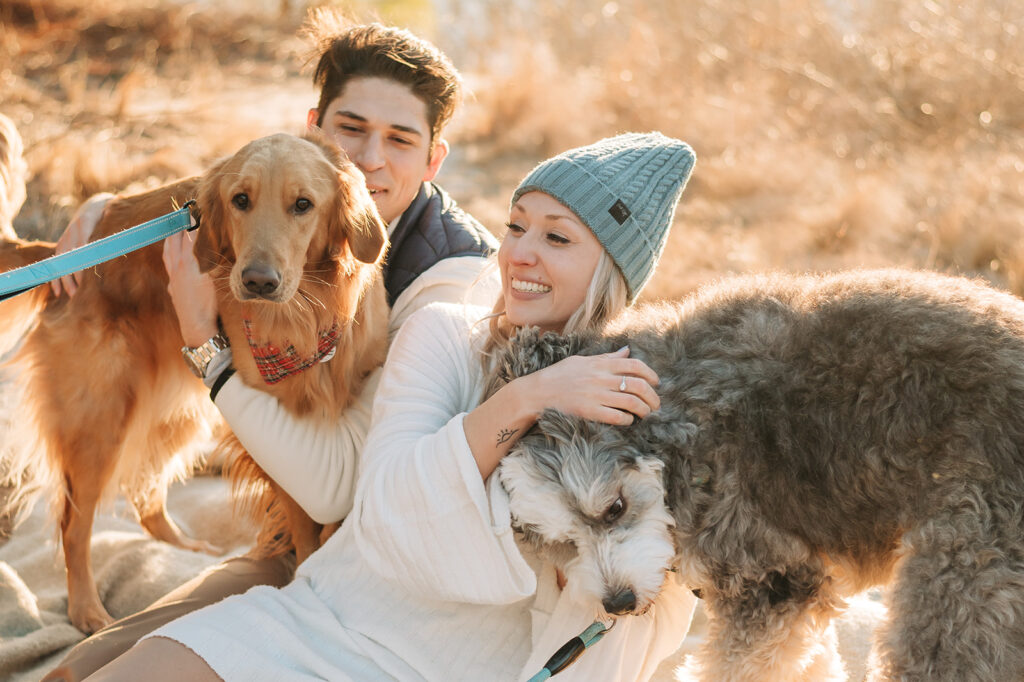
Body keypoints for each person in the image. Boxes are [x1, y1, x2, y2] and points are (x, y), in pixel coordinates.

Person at [86, 131, 699, 681]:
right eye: (515, 227)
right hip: (323, 620)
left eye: (557, 237)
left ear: (612, 270)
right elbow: (386, 517)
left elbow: (643, 608)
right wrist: (530, 395)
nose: (518, 254)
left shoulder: (650, 401)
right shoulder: (443, 334)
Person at [43, 17, 499, 682]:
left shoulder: (453, 280)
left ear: (434, 161)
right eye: (352, 129)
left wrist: (204, 346)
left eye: (399, 139)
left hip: (362, 550)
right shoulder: (289, 180)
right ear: (314, 129)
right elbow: (214, 193)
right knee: (77, 672)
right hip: (294, 528)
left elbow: (334, 483)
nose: (371, 157)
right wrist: (99, 214)